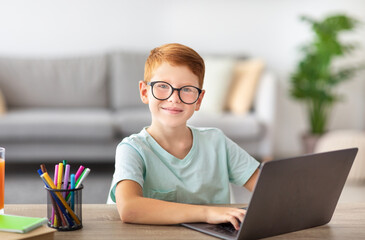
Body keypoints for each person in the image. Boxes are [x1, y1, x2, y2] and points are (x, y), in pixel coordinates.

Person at [108, 43, 260, 230]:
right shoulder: (132, 149)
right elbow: (129, 208)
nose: (174, 98)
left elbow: (266, 188)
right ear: (145, 92)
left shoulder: (217, 142)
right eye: (163, 86)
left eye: (187, 89)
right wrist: (207, 213)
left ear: (199, 100)